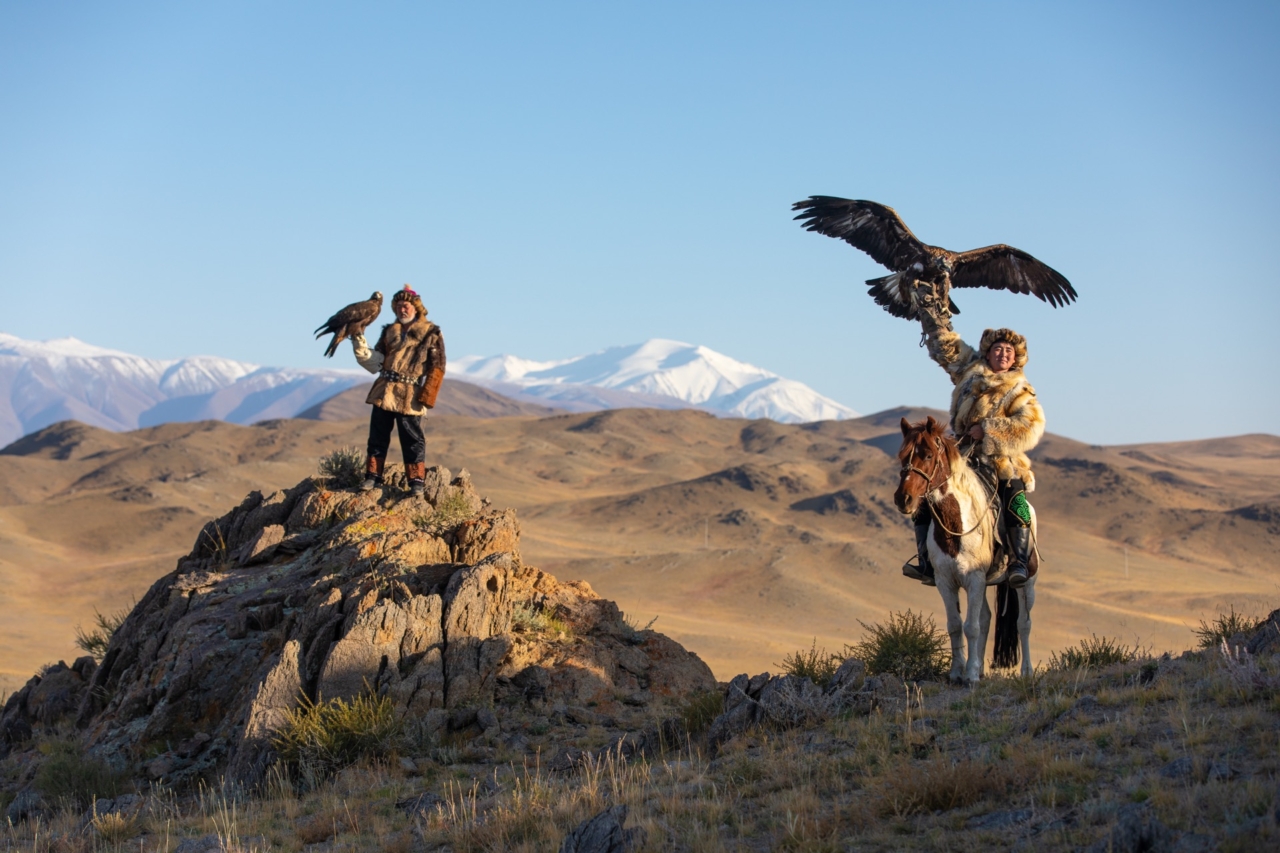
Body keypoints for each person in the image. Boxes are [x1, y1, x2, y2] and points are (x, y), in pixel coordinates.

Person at [907, 295, 1044, 588]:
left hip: (1002, 461)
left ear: (1016, 358)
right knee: (925, 497)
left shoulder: (1021, 390)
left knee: (1016, 502)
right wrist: (932, 317)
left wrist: (990, 430)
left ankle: (1019, 561)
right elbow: (948, 348)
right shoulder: (969, 371)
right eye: (998, 348)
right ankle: (926, 561)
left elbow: (1031, 426)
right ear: (988, 352)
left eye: (1009, 350)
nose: (1003, 354)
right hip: (961, 453)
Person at [349, 285, 446, 496]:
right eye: (399, 306)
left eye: (407, 306)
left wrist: (427, 396)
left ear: (416, 308)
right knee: (377, 436)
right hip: (384, 390)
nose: (403, 310)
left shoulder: (431, 333)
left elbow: (437, 367)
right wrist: (359, 343)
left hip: (410, 394)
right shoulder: (388, 331)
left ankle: (416, 482)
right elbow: (378, 360)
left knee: (413, 439)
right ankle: (372, 477)